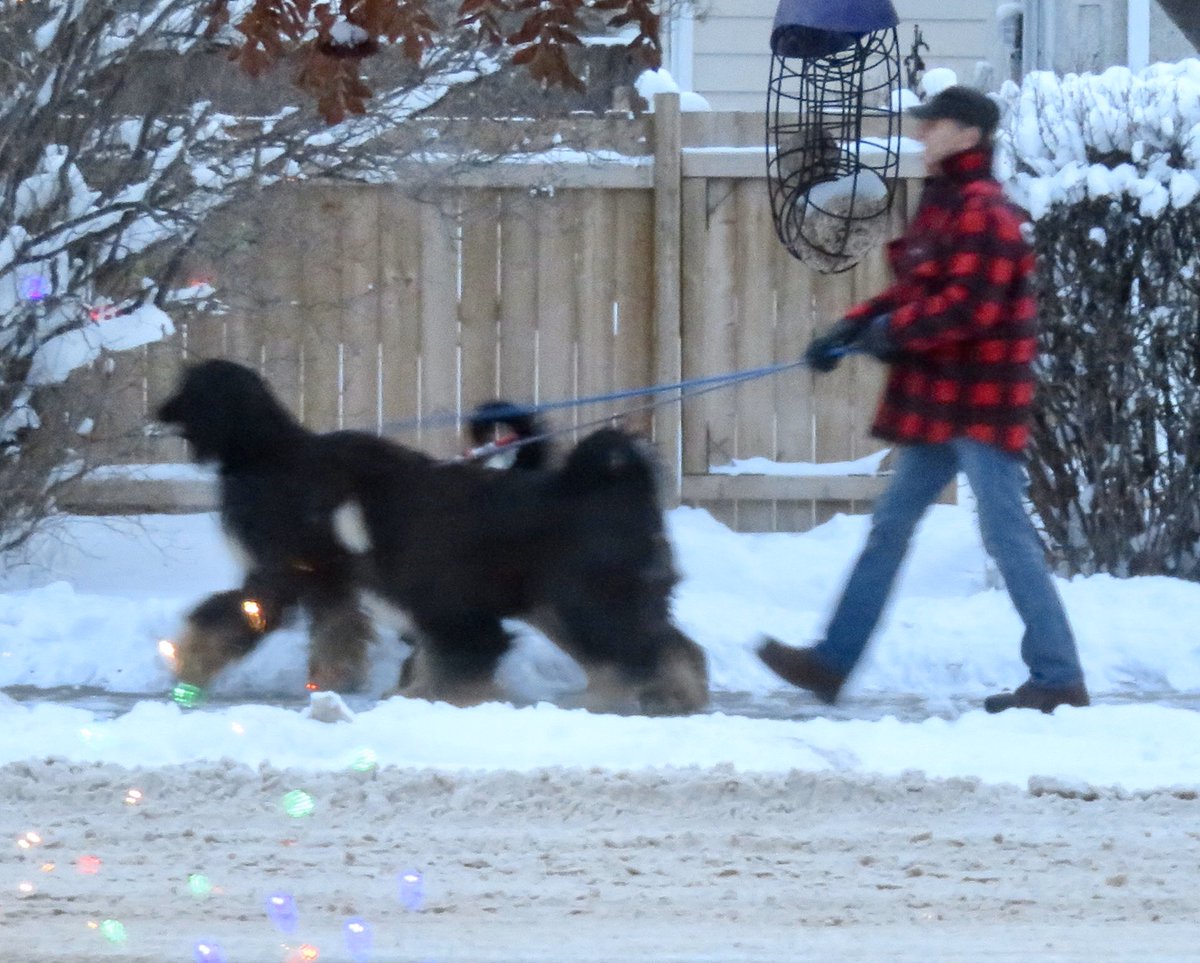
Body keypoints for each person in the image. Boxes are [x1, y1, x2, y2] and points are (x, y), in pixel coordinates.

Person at [757, 85, 1089, 715]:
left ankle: (1059, 678)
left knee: (1006, 536)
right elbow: (918, 289)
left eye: (933, 124)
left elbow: (969, 308)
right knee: (890, 527)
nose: (920, 133)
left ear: (968, 134)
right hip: (942, 398)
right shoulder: (946, 203)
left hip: (982, 401)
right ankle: (831, 663)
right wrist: (854, 326)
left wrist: (890, 333)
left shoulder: (985, 212)